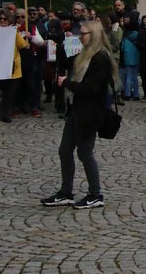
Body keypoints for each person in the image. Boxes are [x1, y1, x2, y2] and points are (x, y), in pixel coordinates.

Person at [40, 20, 115, 209]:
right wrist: (61, 43)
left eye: (84, 34)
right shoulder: (85, 54)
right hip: (77, 109)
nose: (80, 37)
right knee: (65, 150)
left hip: (90, 112)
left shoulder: (100, 58)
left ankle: (95, 194)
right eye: (80, 34)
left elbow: (91, 89)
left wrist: (67, 83)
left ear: (95, 35)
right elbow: (66, 62)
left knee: (84, 152)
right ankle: (66, 192)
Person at [0, 12, 29, 123]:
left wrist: (24, 36)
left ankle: (5, 114)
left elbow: (23, 46)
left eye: (5, 19)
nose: (2, 21)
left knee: (9, 94)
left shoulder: (14, 33)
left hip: (12, 69)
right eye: (0, 18)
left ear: (10, 21)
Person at [119, 11, 141, 101]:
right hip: (136, 57)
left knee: (128, 76)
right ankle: (136, 94)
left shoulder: (126, 34)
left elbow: (122, 47)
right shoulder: (138, 33)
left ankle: (127, 93)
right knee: (135, 76)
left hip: (127, 57)